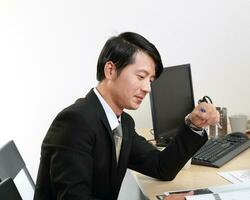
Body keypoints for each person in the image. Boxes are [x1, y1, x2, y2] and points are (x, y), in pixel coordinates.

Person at [34, 32, 219, 200]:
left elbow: (161, 167)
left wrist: (194, 125)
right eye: (141, 76)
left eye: (150, 80)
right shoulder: (75, 122)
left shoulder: (123, 122)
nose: (147, 88)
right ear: (110, 70)